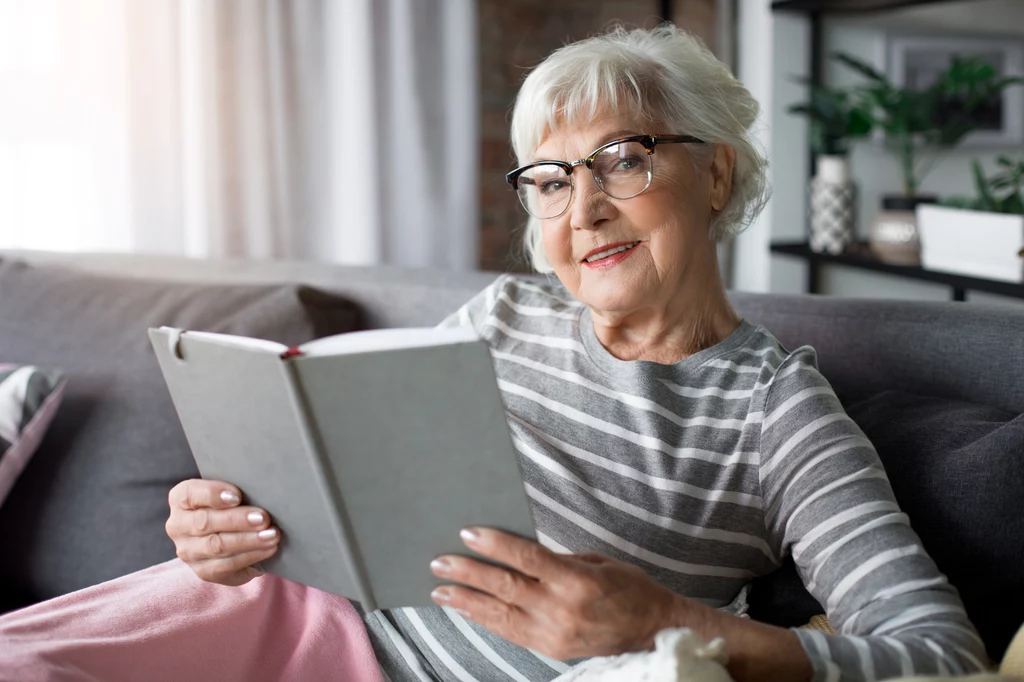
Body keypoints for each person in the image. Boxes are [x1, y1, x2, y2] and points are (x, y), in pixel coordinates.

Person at [7, 24, 990, 682]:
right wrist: (225, 523)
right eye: (551, 180)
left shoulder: (777, 410)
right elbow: (344, 490)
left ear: (715, 171)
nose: (586, 207)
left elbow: (942, 655)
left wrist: (665, 627)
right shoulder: (501, 317)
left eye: (624, 160)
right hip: (280, 620)